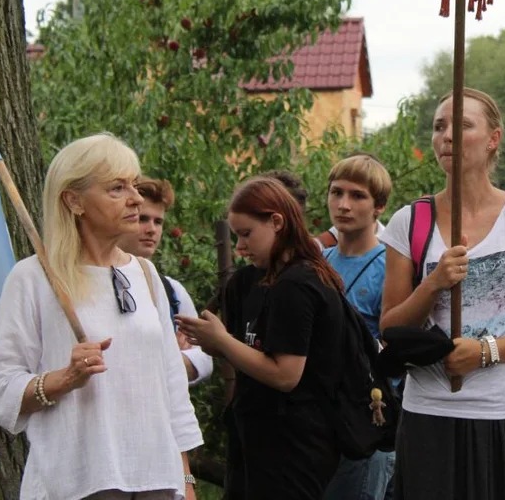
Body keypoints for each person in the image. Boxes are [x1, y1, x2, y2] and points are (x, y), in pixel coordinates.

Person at [0, 133, 202, 500]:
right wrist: (65, 378)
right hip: (78, 482)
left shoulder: (146, 275)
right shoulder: (34, 278)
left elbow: (171, 388)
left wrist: (186, 481)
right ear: (74, 200)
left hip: (155, 480)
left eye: (133, 184)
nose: (134, 197)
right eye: (117, 188)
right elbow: (0, 388)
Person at [379, 87, 505, 500]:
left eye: (462, 125)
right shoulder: (408, 221)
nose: (446, 136)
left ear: (493, 139)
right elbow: (390, 327)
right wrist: (433, 283)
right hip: (431, 412)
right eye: (438, 127)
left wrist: (486, 351)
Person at [177, 176, 347, 500]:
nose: (240, 247)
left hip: (292, 446)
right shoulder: (262, 281)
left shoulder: (296, 284)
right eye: (236, 236)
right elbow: (257, 356)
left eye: (246, 234)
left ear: (277, 221)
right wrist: (218, 344)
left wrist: (223, 341)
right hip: (261, 440)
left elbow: (285, 375)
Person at [321, 154, 394, 500]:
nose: (343, 205)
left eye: (357, 196)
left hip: (366, 420)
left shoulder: (391, 267)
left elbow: (395, 350)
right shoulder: (320, 262)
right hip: (319, 419)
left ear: (379, 206)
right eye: (336, 193)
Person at [118, 176, 213, 385]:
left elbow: (204, 358)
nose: (152, 229)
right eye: (143, 219)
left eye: (158, 221)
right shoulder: (93, 281)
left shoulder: (171, 290)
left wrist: (175, 363)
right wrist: (168, 358)